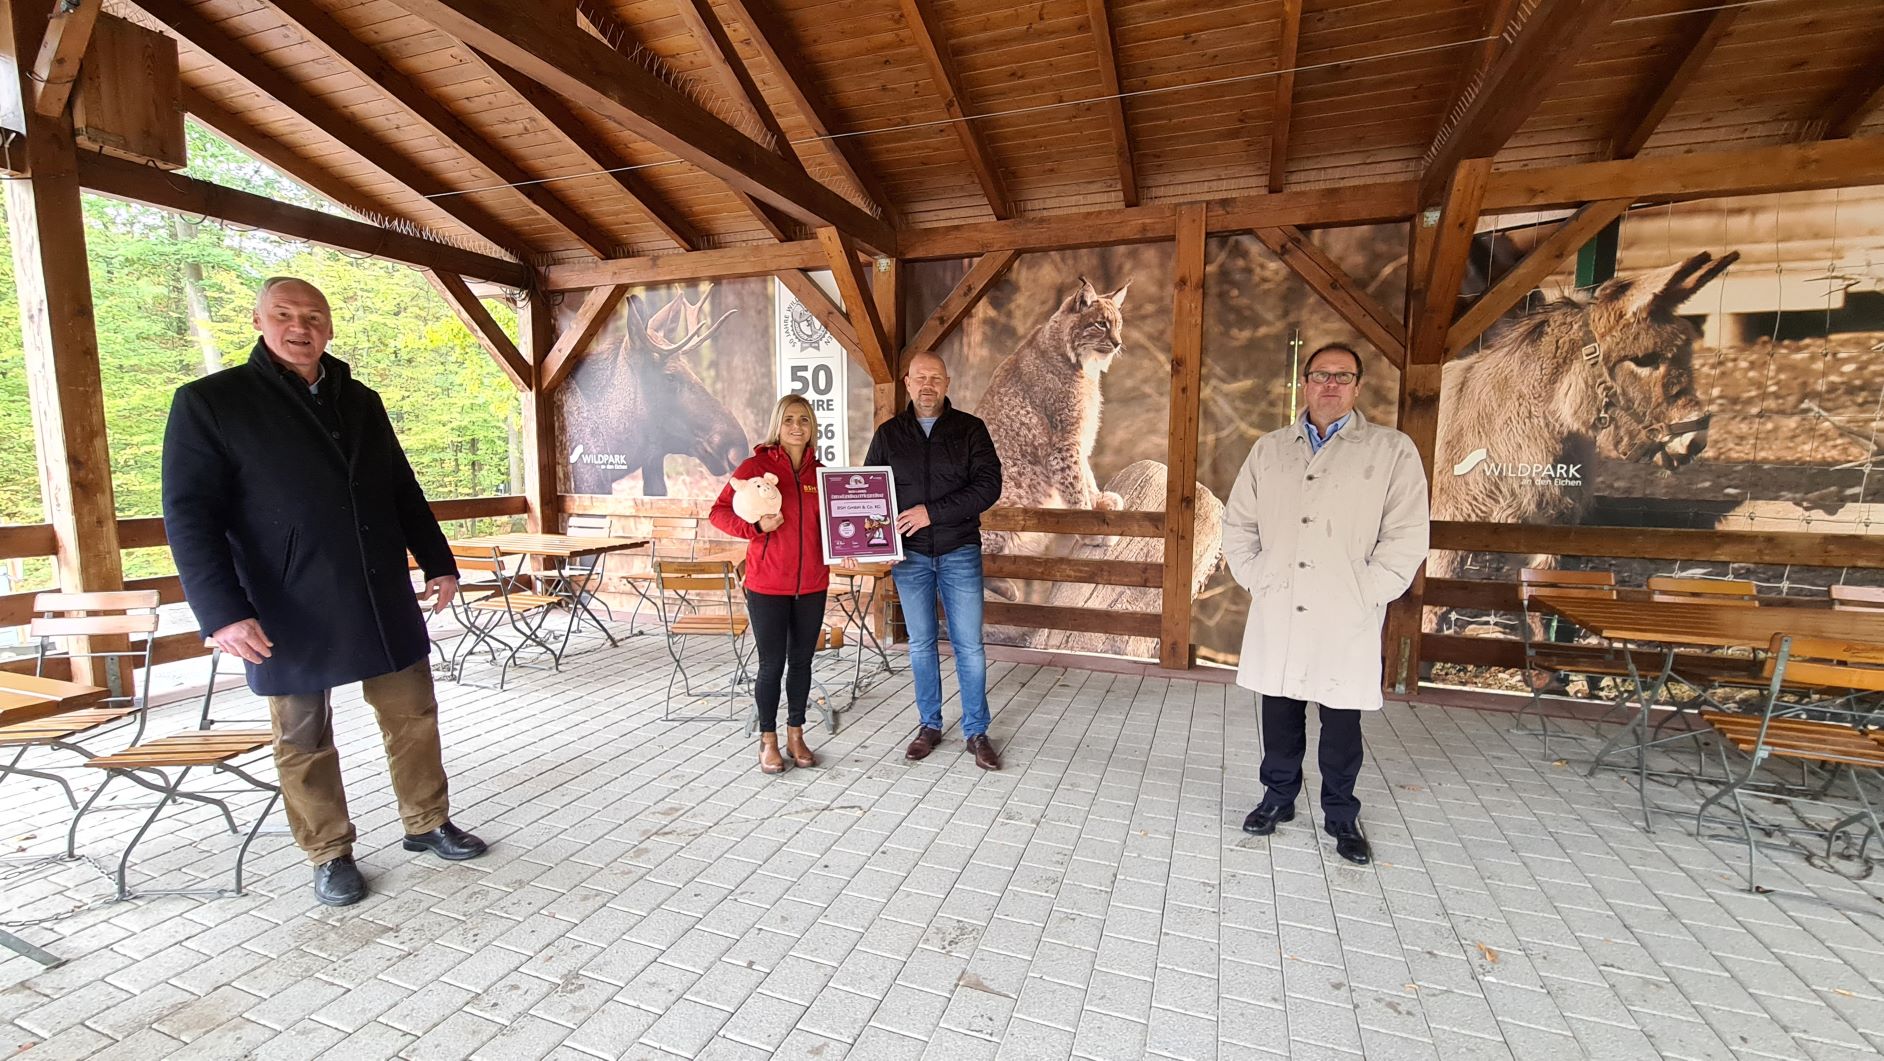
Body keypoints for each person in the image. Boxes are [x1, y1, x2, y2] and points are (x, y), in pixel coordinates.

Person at [162, 276, 486, 908]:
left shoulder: (359, 400)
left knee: (413, 714)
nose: (299, 326)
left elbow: (400, 489)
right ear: (259, 321)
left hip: (377, 590)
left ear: (329, 327)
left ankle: (426, 822)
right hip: (283, 602)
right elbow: (188, 514)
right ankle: (329, 851)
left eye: (313, 315)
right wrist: (223, 612)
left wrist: (438, 562)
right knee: (303, 736)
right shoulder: (211, 402)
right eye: (284, 314)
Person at [1221, 343, 1429, 865]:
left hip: (1346, 608)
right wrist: (1257, 575)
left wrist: (1369, 588)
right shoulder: (1269, 449)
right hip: (1281, 602)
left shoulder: (1392, 450)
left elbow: (1406, 535)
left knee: (1341, 721)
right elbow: (1239, 525)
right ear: (1305, 384)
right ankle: (1278, 797)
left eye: (1342, 375)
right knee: (1280, 709)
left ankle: (1340, 813)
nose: (1330, 384)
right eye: (1320, 374)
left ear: (1358, 386)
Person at [863, 352, 1005, 770]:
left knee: (969, 646)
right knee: (921, 645)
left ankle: (976, 731)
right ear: (907, 383)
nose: (927, 384)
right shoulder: (889, 435)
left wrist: (932, 512)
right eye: (919, 377)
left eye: (935, 377)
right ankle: (929, 725)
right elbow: (870, 493)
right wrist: (863, 544)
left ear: (947, 382)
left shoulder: (970, 430)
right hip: (910, 558)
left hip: (959, 550)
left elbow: (989, 486)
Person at [709, 394, 831, 773]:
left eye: (805, 420)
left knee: (802, 662)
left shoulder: (822, 473)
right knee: (771, 664)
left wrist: (853, 543)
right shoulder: (754, 467)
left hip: (812, 583)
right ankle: (768, 740)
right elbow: (718, 511)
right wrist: (755, 528)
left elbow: (837, 521)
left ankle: (797, 733)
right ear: (778, 424)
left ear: (813, 428)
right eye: (790, 419)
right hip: (767, 586)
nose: (797, 426)